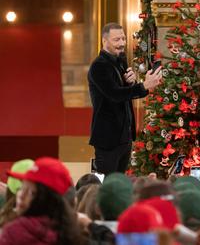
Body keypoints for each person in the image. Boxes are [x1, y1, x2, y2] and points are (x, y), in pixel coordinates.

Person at [88, 22, 162, 176]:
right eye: (116, 40)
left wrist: (135, 83)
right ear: (104, 41)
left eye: (123, 38)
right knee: (109, 186)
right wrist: (143, 86)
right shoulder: (99, 66)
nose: (121, 43)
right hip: (108, 138)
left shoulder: (120, 61)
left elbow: (126, 93)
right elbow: (115, 95)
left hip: (125, 137)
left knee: (121, 182)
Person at [0, 157, 85, 245]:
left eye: (31, 192)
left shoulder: (12, 233)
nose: (21, 196)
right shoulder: (75, 233)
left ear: (47, 199)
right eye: (22, 188)